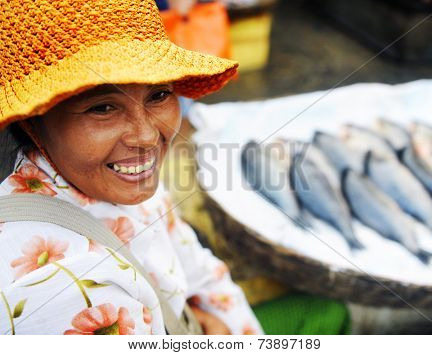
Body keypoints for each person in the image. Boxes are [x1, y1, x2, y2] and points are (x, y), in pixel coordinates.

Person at [0, 0, 263, 335]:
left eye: (159, 95)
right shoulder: (65, 290)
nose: (147, 135)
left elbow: (202, 272)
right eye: (103, 107)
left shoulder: (124, 185)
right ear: (31, 122)